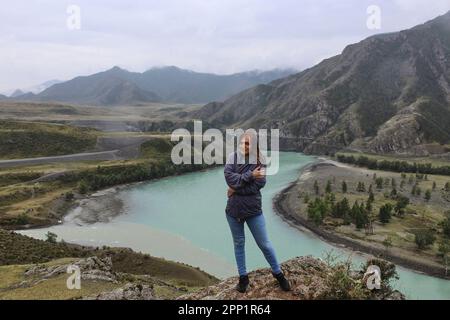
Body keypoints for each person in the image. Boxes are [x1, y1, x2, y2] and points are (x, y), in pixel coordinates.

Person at [224, 132, 291, 293]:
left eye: (247, 143)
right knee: (239, 244)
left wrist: (235, 188)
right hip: (233, 211)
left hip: (253, 211)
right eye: (242, 143)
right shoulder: (232, 158)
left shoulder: (260, 162)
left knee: (264, 244)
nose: (244, 146)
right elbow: (228, 177)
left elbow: (258, 185)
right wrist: (249, 175)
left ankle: (278, 274)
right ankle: (243, 278)